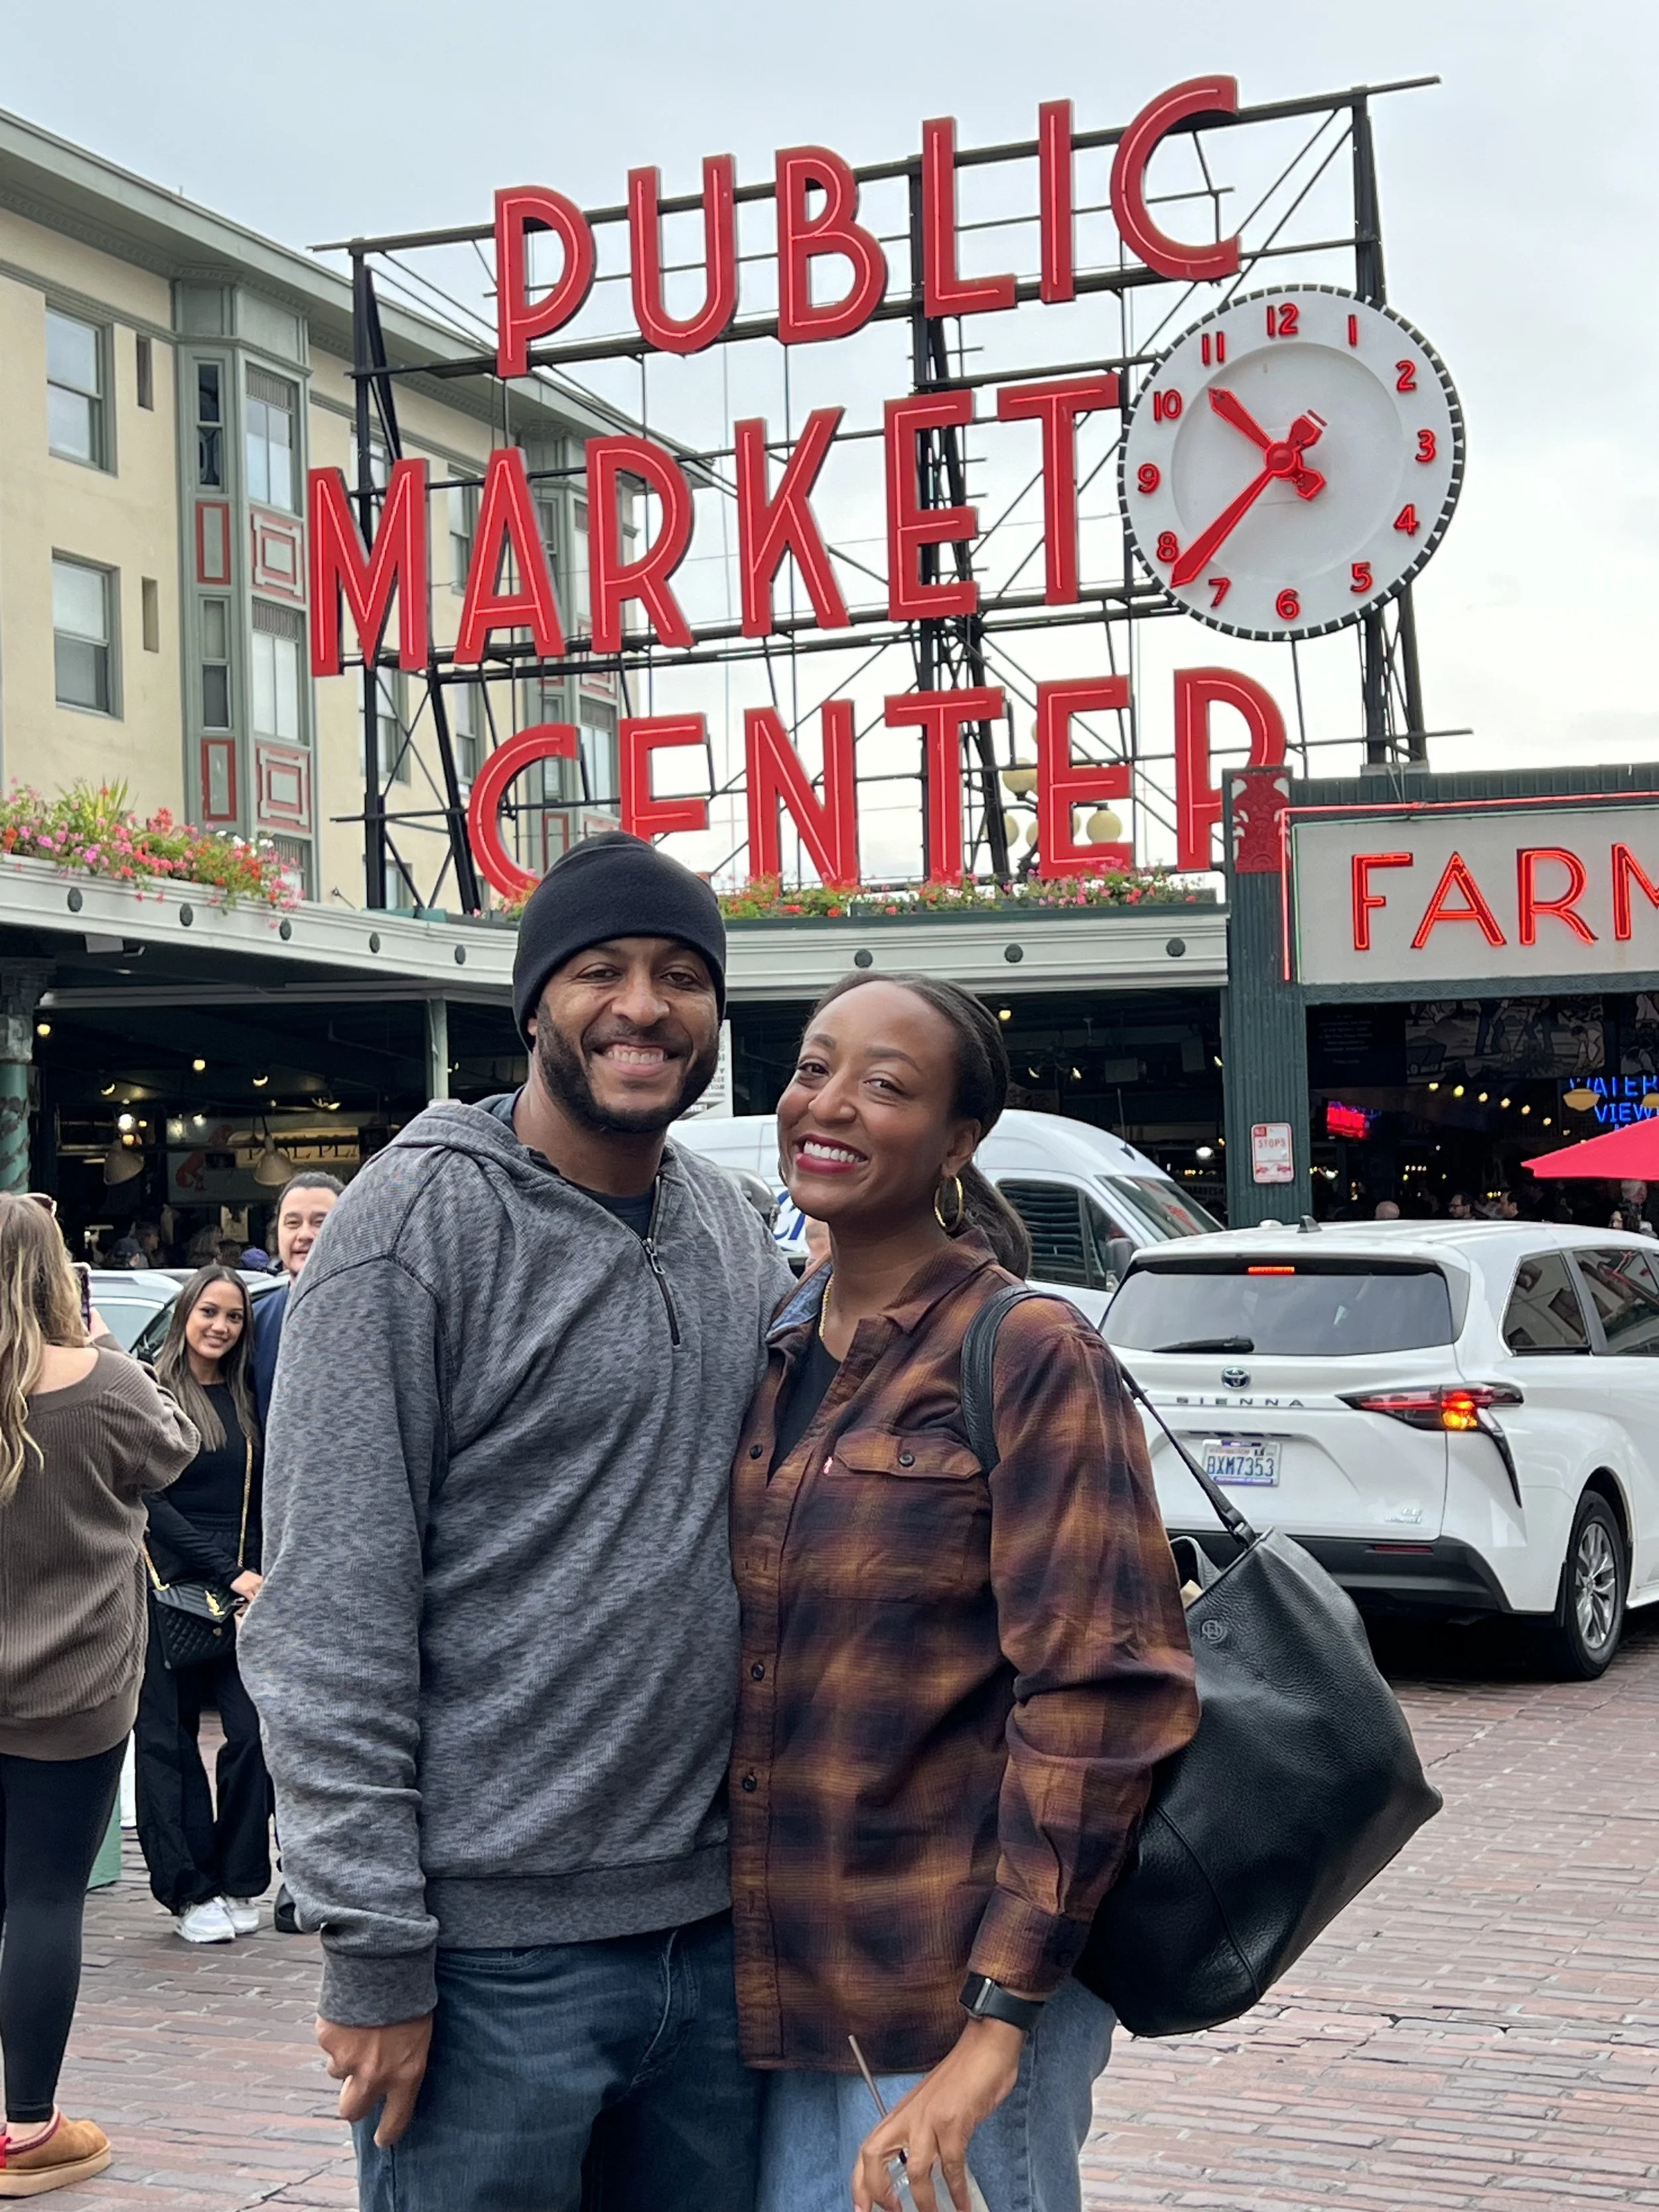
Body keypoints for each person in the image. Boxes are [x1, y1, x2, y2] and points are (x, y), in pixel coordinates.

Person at [241, 832, 795, 2212]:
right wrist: (374, 1949)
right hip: (490, 1965)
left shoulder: (729, 1225)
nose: (644, 1005)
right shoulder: (408, 1228)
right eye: (599, 969)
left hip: (718, 1937)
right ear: (533, 1003)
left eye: (680, 974)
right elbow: (325, 1616)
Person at [729, 975, 1199, 2212]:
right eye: (813, 1067)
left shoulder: (1029, 1347)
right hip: (787, 1990)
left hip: (948, 1999)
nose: (828, 1104)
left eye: (885, 1083)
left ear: (957, 1140)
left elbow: (1102, 1691)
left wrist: (998, 2027)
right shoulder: (779, 1344)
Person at [0, 1193, 198, 2195]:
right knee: (41, 1897)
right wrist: (95, 1337)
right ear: (56, 1275)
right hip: (71, 1688)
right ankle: (27, 2128)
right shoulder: (105, 1381)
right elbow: (175, 1449)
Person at [135, 1267, 271, 1945]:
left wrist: (257, 1575)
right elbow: (147, 1502)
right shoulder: (153, 1393)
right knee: (167, 1742)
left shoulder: (247, 1398)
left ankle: (241, 1878)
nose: (220, 1327)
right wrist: (233, 1572)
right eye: (208, 1312)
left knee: (249, 1736)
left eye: (234, 1317)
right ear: (184, 1313)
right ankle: (188, 1892)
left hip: (238, 1592)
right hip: (165, 1586)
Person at [249, 1173, 344, 1426]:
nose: (305, 1235)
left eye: (320, 1222)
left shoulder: (377, 1317)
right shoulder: (253, 1321)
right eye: (292, 1223)